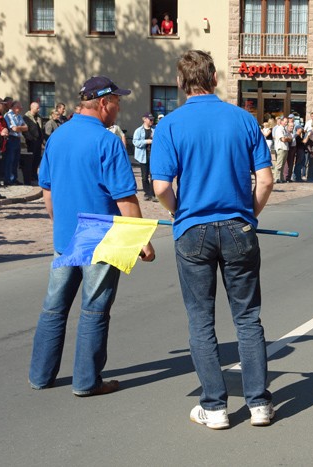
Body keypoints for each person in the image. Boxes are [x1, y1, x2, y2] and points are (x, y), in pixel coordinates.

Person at [151, 50, 274, 429]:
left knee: (201, 320)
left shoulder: (170, 125)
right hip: (238, 226)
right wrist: (248, 216)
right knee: (248, 318)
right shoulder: (243, 120)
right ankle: (259, 405)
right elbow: (266, 180)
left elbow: (160, 187)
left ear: (179, 83)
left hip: (193, 231)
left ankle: (215, 407)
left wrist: (177, 213)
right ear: (216, 78)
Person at [28, 76, 155, 397]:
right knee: (94, 309)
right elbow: (126, 198)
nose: (119, 107)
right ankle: (86, 380)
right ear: (103, 103)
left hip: (67, 236)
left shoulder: (58, 136)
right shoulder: (108, 140)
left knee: (53, 308)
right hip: (101, 236)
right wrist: (142, 239)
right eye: (117, 101)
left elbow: (47, 189)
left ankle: (40, 375)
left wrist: (59, 222)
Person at [132, 113, 156, 201]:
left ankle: (153, 194)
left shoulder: (155, 130)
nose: (152, 121)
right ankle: (147, 193)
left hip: (153, 156)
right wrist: (147, 141)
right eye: (150, 119)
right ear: (144, 119)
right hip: (143, 156)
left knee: (153, 176)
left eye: (153, 119)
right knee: (144, 176)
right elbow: (135, 142)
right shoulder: (138, 131)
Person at [4, 100, 27, 185]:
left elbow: (26, 127)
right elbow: (13, 129)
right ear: (14, 107)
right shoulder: (8, 116)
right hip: (11, 139)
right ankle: (8, 179)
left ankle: (14, 178)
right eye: (19, 107)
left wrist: (19, 128)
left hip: (17, 139)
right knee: (10, 159)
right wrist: (20, 128)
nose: (21, 108)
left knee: (16, 160)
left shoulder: (19, 116)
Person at [22, 102, 44, 186]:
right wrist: (30, 138)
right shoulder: (26, 117)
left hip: (38, 140)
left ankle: (34, 174)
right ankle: (30, 175)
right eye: (37, 108)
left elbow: (40, 129)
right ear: (32, 107)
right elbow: (26, 131)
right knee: (31, 158)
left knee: (37, 159)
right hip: (31, 141)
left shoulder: (39, 117)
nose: (39, 109)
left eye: (39, 108)